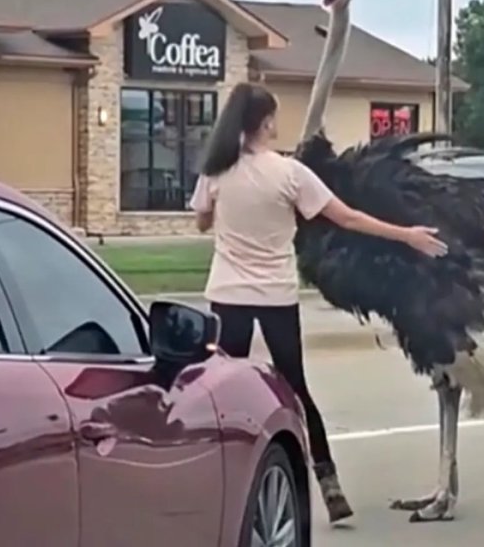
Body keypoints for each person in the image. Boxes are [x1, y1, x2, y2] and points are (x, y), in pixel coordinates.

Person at [190, 82, 448, 524]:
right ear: (266, 122)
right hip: (275, 295)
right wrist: (407, 234)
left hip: (227, 293)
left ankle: (217, 481)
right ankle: (328, 483)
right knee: (297, 388)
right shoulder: (290, 174)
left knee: (222, 392)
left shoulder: (216, 171)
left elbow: (200, 221)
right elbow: (347, 217)